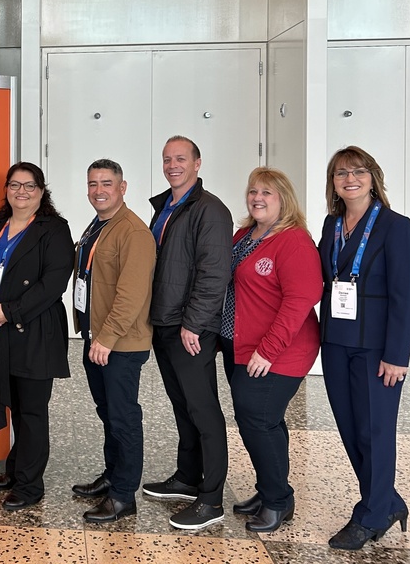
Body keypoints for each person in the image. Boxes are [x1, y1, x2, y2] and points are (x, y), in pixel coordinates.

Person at [319, 147, 410, 550]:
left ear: (373, 177)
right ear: (334, 183)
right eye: (341, 173)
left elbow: (406, 295)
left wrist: (397, 355)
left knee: (375, 431)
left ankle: (374, 514)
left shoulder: (396, 227)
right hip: (336, 342)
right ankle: (388, 500)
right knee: (350, 429)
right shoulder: (331, 225)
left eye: (358, 171)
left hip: (377, 349)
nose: (350, 179)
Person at [0, 161, 73, 511]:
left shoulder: (54, 229)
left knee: (33, 411)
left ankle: (29, 486)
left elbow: (53, 284)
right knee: (16, 404)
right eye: (14, 185)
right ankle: (15, 469)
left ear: (41, 192)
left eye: (29, 186)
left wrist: (9, 312)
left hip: (34, 330)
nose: (21, 192)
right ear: (6, 189)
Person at [219, 167, 321, 533]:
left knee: (258, 420)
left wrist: (269, 350)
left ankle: (278, 502)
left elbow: (302, 299)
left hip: (279, 350)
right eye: (253, 191)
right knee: (261, 421)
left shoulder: (293, 239)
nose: (257, 198)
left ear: (284, 199)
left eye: (267, 193)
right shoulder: (245, 234)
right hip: (242, 344)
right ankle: (268, 490)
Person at [142, 136, 233, 531]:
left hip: (189, 328)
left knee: (204, 410)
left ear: (198, 162)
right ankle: (188, 477)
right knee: (182, 406)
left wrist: (194, 323)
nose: (173, 165)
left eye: (181, 158)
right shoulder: (165, 207)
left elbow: (214, 273)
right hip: (164, 323)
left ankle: (210, 498)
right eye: (167, 159)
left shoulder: (210, 210)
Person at [70, 159, 156, 523]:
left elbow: (131, 293)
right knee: (107, 413)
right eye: (93, 184)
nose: (98, 190)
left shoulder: (132, 232)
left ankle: (124, 496)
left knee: (123, 417)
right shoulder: (100, 224)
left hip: (120, 343)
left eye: (107, 183)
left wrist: (106, 338)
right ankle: (112, 476)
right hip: (98, 338)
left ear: (123, 187)